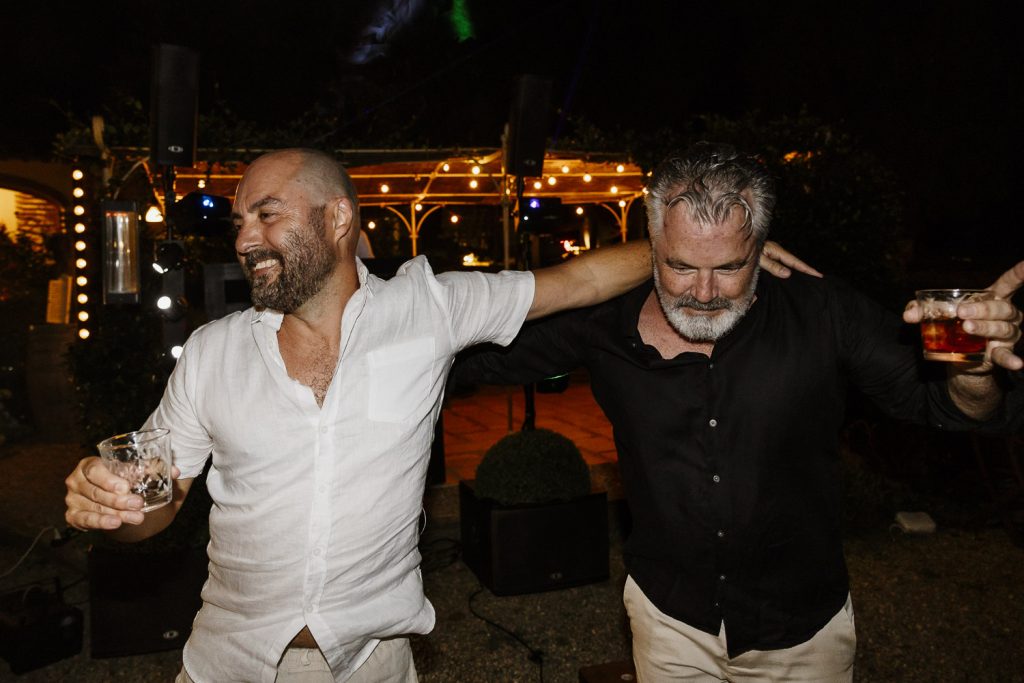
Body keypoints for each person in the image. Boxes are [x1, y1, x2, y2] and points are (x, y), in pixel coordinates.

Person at [63, 147, 812, 683]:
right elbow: (158, 500)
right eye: (238, 223)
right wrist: (113, 504)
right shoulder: (210, 353)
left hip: (373, 664)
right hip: (229, 661)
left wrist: (709, 254)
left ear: (336, 218)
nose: (244, 238)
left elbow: (576, 280)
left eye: (266, 214)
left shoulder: (429, 306)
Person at [453, 142, 1024, 682]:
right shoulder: (601, 321)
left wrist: (972, 373)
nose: (703, 292)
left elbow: (953, 409)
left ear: (762, 245)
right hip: (668, 619)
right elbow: (462, 351)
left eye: (729, 267)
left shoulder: (821, 311)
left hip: (802, 630)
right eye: (679, 265)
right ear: (649, 244)